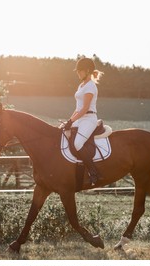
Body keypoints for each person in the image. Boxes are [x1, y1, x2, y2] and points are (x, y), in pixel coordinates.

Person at [62, 57, 103, 185]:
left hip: (88, 119)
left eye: (80, 70)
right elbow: (78, 108)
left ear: (88, 71)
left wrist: (72, 121)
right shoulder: (81, 85)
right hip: (79, 118)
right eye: (77, 70)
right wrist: (68, 121)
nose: (78, 73)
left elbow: (85, 109)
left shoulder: (91, 86)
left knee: (78, 143)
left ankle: (93, 172)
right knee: (62, 133)